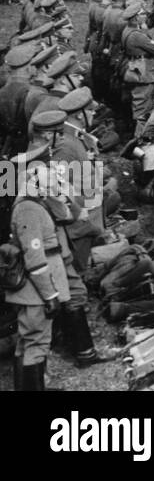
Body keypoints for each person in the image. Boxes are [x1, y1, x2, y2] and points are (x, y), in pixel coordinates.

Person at [6, 158, 67, 391]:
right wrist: (50, 294)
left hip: (34, 290)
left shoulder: (34, 203)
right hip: (36, 291)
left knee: (27, 342)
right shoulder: (28, 209)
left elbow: (65, 212)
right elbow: (35, 258)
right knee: (36, 343)